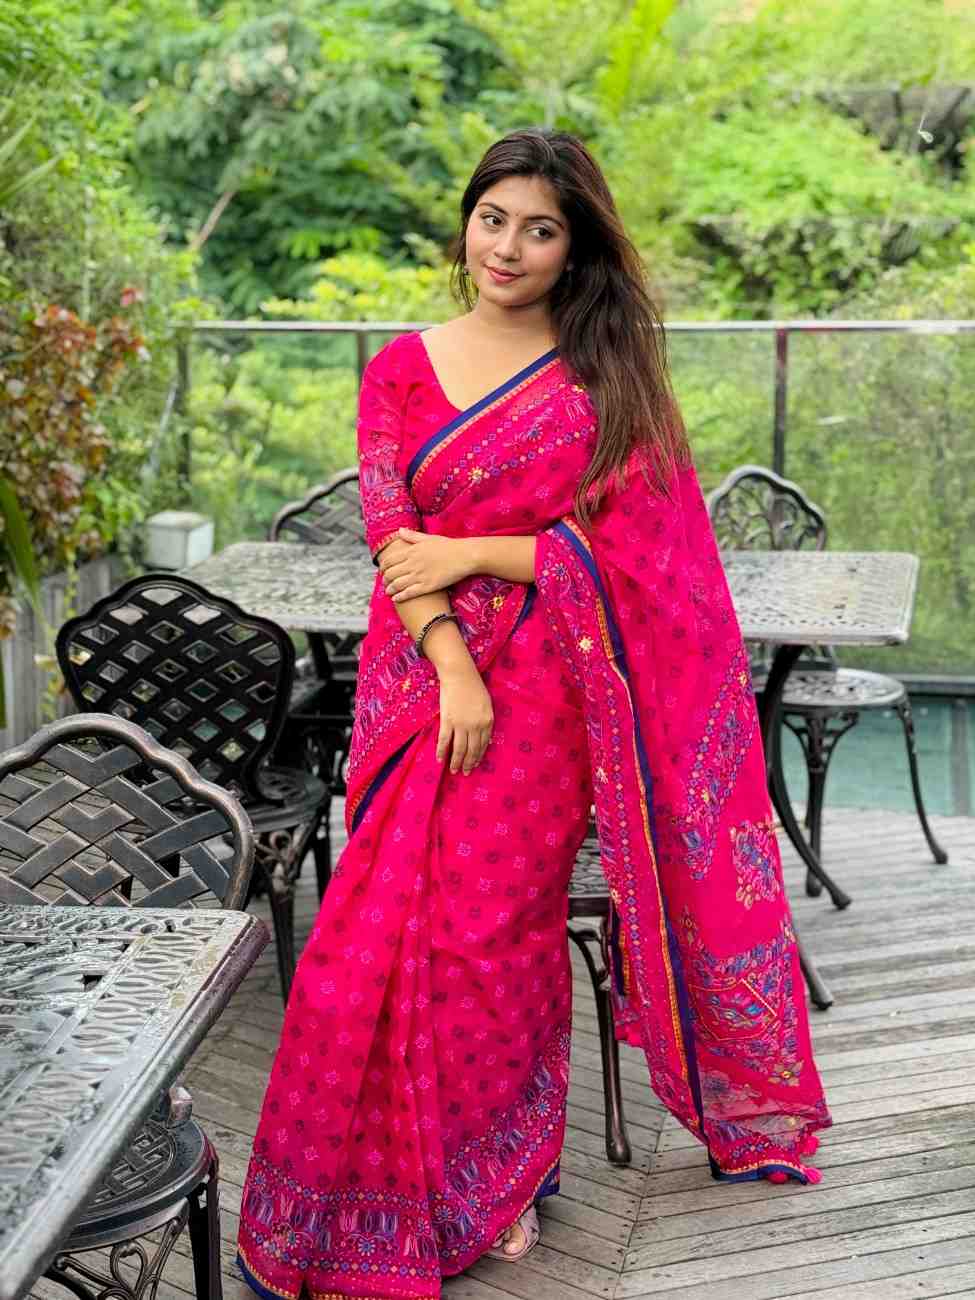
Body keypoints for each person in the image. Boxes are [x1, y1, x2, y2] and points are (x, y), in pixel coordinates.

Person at [237, 127, 831, 1300]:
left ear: (575, 248)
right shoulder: (401, 369)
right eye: (493, 218)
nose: (508, 246)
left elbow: (643, 562)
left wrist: (474, 550)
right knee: (360, 947)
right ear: (466, 223)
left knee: (490, 944)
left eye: (541, 229)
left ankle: (498, 1176)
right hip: (423, 691)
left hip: (549, 701)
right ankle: (332, 1206)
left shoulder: (604, 379)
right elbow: (392, 534)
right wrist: (453, 661)